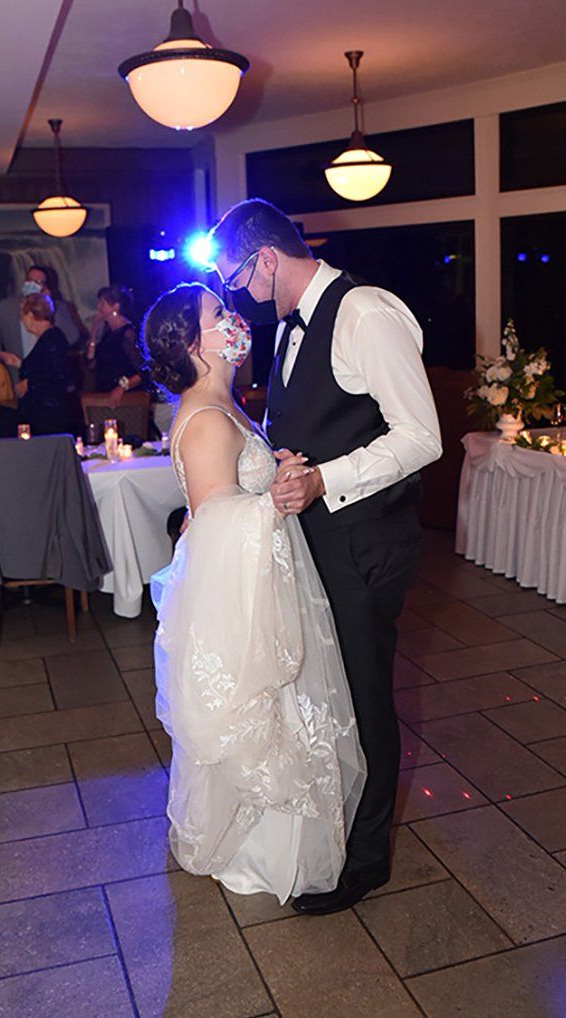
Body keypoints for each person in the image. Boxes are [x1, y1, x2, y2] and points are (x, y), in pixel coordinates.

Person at [210, 198, 442, 915]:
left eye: (236, 278)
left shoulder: (364, 312)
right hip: (319, 539)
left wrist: (323, 480)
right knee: (330, 691)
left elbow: (421, 436)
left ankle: (367, 863)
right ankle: (336, 833)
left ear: (266, 258)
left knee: (366, 695)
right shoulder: (290, 325)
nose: (238, 296)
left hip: (368, 538)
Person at [144, 282, 366, 905]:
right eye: (219, 314)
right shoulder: (208, 420)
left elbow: (222, 499)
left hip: (261, 576)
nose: (235, 319)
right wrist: (275, 496)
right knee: (262, 709)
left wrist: (274, 472)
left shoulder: (225, 404)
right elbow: (217, 520)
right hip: (239, 590)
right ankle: (260, 854)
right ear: (195, 343)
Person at [0, 265, 81, 383]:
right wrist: (4, 360)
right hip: (15, 377)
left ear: (45, 286)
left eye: (38, 282)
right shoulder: (4, 308)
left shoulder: (58, 307)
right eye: (29, 280)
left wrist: (49, 305)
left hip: (47, 378)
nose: (32, 285)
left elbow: (72, 337)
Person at [0, 293, 70, 436]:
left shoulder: (52, 339)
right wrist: (19, 363)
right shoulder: (47, 339)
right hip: (44, 413)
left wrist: (28, 384)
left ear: (30, 315)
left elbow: (57, 374)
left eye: (22, 316)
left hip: (49, 416)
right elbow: (43, 367)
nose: (21, 321)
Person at [85, 285, 144, 408]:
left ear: (116, 306)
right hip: (105, 391)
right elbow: (91, 361)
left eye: (103, 303)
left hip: (124, 397)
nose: (98, 307)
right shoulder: (109, 333)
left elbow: (143, 370)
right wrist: (94, 332)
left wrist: (122, 387)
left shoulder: (128, 333)